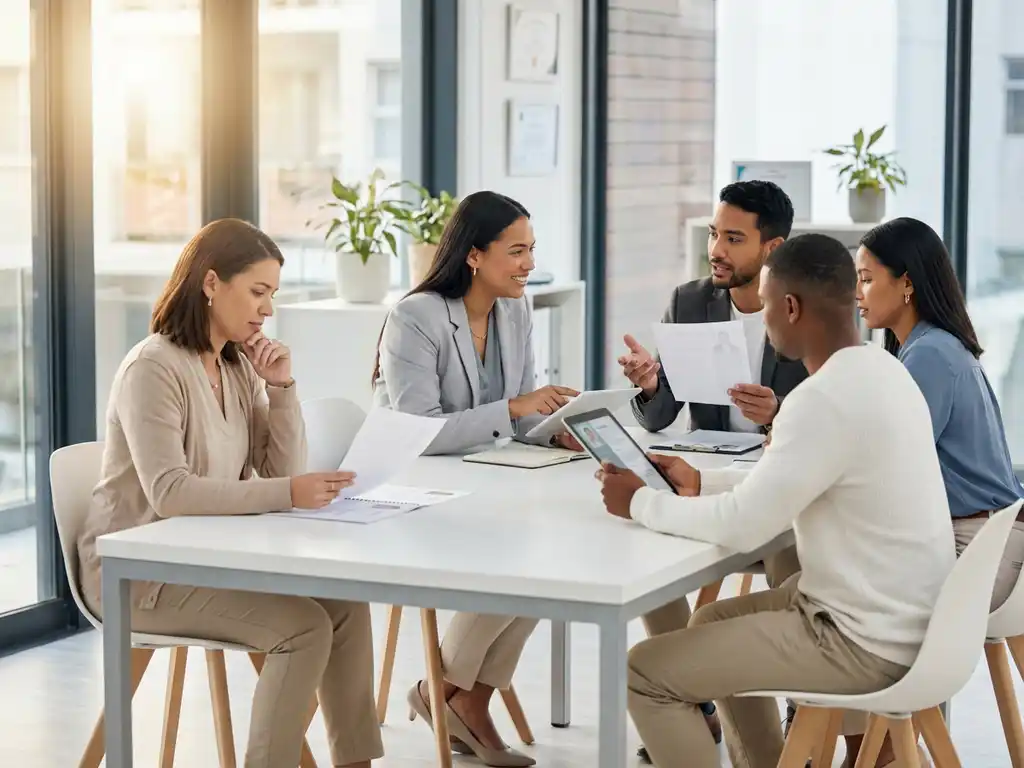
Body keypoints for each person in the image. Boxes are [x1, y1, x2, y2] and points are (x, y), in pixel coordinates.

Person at [598, 233, 955, 768]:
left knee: (644, 672)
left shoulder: (820, 398)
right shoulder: (884, 371)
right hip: (907, 621)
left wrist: (639, 503)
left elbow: (743, 527)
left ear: (790, 307)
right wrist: (702, 483)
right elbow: (796, 480)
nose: (761, 320)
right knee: (710, 622)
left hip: (861, 640)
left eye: (764, 305)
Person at [76, 219, 382, 768]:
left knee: (343, 605)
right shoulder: (153, 366)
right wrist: (288, 491)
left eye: (273, 296)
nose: (267, 311)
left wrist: (282, 389)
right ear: (212, 283)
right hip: (140, 573)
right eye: (258, 292)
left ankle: (354, 762)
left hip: (205, 557)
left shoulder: (237, 364)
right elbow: (170, 493)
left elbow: (277, 469)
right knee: (303, 629)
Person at [373, 191, 580, 767]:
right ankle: (448, 696)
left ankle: (456, 695)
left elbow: (524, 417)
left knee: (547, 565)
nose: (529, 264)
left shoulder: (517, 309)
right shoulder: (415, 317)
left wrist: (560, 426)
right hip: (417, 492)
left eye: (532, 250)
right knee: (519, 561)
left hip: (487, 484)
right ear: (472, 255)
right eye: (516, 251)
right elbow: (420, 432)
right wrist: (517, 410)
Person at [619, 182, 805, 759]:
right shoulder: (691, 300)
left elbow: (823, 418)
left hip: (778, 475)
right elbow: (661, 414)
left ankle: (806, 690)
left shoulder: (801, 311)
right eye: (713, 234)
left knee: (790, 541)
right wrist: (650, 384)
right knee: (646, 530)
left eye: (733, 238)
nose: (716, 249)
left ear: (771, 248)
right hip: (707, 467)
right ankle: (688, 699)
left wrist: (778, 415)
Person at [857, 216, 1024, 610]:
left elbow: (891, 466)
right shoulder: (928, 346)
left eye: (865, 278)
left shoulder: (929, 355)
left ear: (907, 283)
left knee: (836, 585)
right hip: (983, 535)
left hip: (978, 548)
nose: (856, 293)